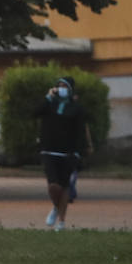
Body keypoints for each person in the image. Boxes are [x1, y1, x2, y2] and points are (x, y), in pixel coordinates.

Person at [33, 76, 91, 232]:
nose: (61, 89)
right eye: (59, 86)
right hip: (49, 150)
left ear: (70, 89)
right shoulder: (49, 104)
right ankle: (56, 206)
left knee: (65, 187)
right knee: (53, 185)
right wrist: (48, 96)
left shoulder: (77, 108)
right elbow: (35, 112)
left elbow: (80, 131)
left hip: (67, 152)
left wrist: (79, 152)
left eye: (64, 86)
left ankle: (61, 222)